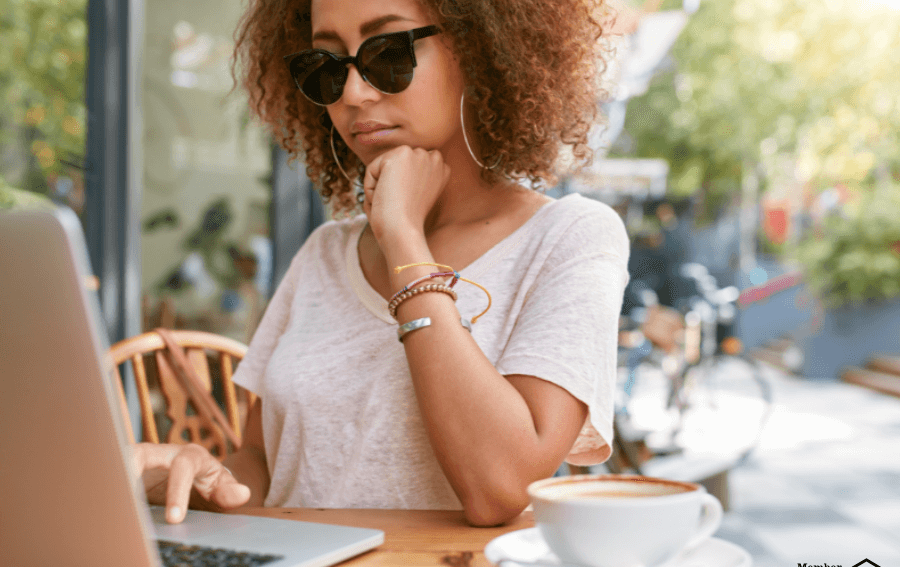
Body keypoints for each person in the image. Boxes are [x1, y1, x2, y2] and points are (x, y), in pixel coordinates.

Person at [134, 0, 630, 527]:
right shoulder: (325, 254)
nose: (353, 93)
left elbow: (500, 486)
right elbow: (261, 461)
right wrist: (198, 481)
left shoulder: (569, 239)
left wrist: (402, 238)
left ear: (480, 49)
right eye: (326, 66)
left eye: (388, 53)